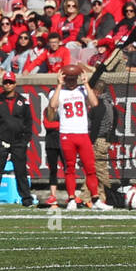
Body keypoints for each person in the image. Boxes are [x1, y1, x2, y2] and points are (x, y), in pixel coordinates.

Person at [49, 64, 108, 209]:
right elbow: (53, 105)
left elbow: (95, 103)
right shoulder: (58, 91)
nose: (71, 82)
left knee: (90, 168)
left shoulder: (82, 89)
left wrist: (86, 83)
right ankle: (71, 199)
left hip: (82, 133)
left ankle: (95, 200)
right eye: (68, 79)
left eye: (73, 79)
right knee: (70, 168)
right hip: (66, 133)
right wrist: (59, 84)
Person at [0, 70, 34, 206]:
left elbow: (29, 121)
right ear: (2, 84)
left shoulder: (23, 101)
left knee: (21, 171)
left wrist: (26, 139)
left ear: (15, 83)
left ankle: (26, 199)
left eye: (10, 82)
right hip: (2, 140)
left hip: (19, 141)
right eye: (6, 82)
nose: (8, 85)